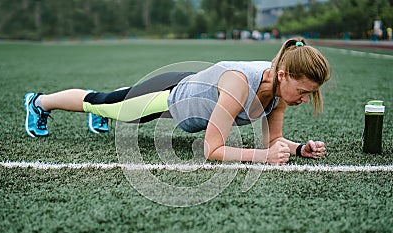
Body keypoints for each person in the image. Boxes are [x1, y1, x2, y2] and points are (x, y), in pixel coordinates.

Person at [23, 38, 330, 165]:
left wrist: (299, 149)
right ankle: (39, 102)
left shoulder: (277, 94)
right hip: (172, 98)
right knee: (101, 101)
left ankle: (114, 107)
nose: (304, 99)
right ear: (283, 74)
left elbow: (273, 140)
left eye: (309, 94)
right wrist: (262, 157)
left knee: (122, 103)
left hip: (194, 92)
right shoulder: (241, 85)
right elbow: (212, 150)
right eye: (303, 91)